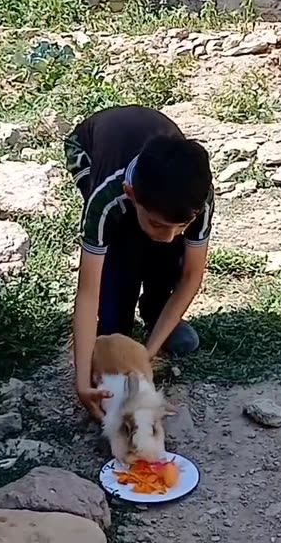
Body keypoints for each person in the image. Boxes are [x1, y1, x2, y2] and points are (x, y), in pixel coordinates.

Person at [63, 105, 214, 420]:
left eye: (181, 226)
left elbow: (191, 276)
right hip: (89, 148)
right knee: (121, 248)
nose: (171, 235)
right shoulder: (108, 198)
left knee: (170, 251)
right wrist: (81, 381)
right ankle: (117, 324)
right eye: (160, 224)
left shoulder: (196, 197)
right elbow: (87, 293)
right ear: (131, 193)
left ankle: (156, 313)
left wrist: (147, 354)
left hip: (151, 178)